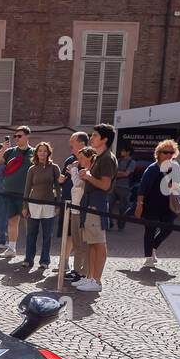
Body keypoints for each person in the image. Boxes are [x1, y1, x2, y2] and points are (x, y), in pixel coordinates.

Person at [74, 124, 117, 292]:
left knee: (99, 243)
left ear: (104, 139)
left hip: (96, 204)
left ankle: (97, 281)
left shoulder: (107, 158)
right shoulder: (99, 156)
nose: (91, 138)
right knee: (92, 243)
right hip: (90, 203)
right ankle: (90, 277)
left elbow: (105, 185)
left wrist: (88, 176)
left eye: (95, 136)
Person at [135, 138, 180, 269]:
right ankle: (148, 257)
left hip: (167, 205)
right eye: (165, 152)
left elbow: (176, 186)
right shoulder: (152, 168)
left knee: (169, 227)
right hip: (151, 204)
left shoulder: (174, 167)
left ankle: (153, 246)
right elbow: (143, 188)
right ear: (158, 153)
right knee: (150, 229)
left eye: (171, 152)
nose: (169, 155)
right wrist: (139, 204)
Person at [0, 126, 34, 257]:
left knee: (30, 223)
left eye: (19, 136)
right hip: (10, 192)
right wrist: (3, 149)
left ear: (27, 136)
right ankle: (11, 248)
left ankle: (30, 252)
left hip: (27, 194)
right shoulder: (10, 151)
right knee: (12, 221)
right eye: (15, 136)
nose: (16, 138)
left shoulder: (34, 152)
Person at [22, 142, 61, 270]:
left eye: (45, 151)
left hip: (49, 205)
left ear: (49, 152)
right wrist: (25, 206)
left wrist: (58, 204)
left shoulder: (54, 168)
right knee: (31, 234)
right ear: (36, 153)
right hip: (33, 205)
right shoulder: (32, 169)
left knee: (47, 235)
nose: (42, 153)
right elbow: (27, 189)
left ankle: (45, 261)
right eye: (40, 151)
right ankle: (28, 259)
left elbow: (57, 187)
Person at [58, 130, 89, 276]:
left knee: (80, 237)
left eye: (73, 142)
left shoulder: (88, 160)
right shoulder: (69, 159)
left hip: (79, 204)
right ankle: (64, 262)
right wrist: (61, 180)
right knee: (67, 232)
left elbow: (80, 183)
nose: (70, 145)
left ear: (82, 144)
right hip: (67, 201)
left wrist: (74, 171)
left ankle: (80, 270)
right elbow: (64, 177)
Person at [64, 147, 95, 284]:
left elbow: (78, 184)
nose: (79, 160)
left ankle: (83, 272)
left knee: (84, 243)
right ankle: (76, 270)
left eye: (82, 158)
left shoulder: (89, 172)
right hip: (75, 210)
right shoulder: (80, 171)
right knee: (76, 242)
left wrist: (73, 170)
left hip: (84, 211)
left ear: (89, 158)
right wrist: (73, 171)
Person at [114, 144, 135, 231]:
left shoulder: (132, 162)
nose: (121, 152)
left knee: (123, 208)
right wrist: (120, 173)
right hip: (114, 186)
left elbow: (126, 174)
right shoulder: (118, 160)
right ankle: (109, 223)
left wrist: (116, 174)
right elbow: (113, 171)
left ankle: (121, 225)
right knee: (108, 204)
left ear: (128, 152)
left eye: (123, 151)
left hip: (124, 188)